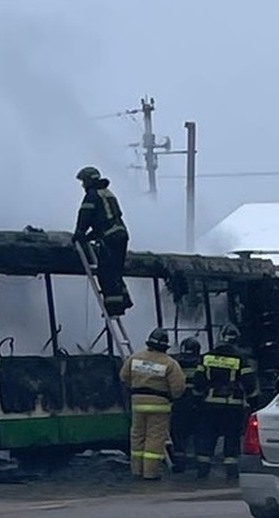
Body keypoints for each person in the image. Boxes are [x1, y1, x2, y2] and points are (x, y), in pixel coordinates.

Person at [193, 324, 259, 481]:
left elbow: (198, 382)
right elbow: (249, 384)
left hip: (209, 406)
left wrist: (197, 401)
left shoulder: (207, 357)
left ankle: (202, 473)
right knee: (232, 438)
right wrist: (252, 401)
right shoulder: (240, 360)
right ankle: (231, 474)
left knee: (207, 438)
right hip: (232, 407)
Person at [119, 328, 186, 480]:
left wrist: (135, 388)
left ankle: (136, 471)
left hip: (137, 403)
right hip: (159, 406)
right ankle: (150, 474)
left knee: (137, 437)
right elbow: (178, 387)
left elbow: (124, 377)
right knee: (154, 439)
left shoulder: (135, 357)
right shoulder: (170, 363)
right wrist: (172, 397)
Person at [72, 166, 132, 316]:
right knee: (116, 271)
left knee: (106, 272)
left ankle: (113, 307)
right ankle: (123, 300)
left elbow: (85, 215)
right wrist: (90, 236)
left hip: (109, 238)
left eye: (83, 182)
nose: (82, 185)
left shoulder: (92, 195)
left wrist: (80, 233)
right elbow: (107, 217)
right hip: (121, 235)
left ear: (88, 181)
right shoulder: (108, 194)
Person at [169, 337, 204, 473]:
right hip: (198, 403)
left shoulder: (176, 362)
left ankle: (179, 463)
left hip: (179, 402)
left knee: (178, 434)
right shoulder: (202, 362)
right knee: (198, 434)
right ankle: (199, 463)